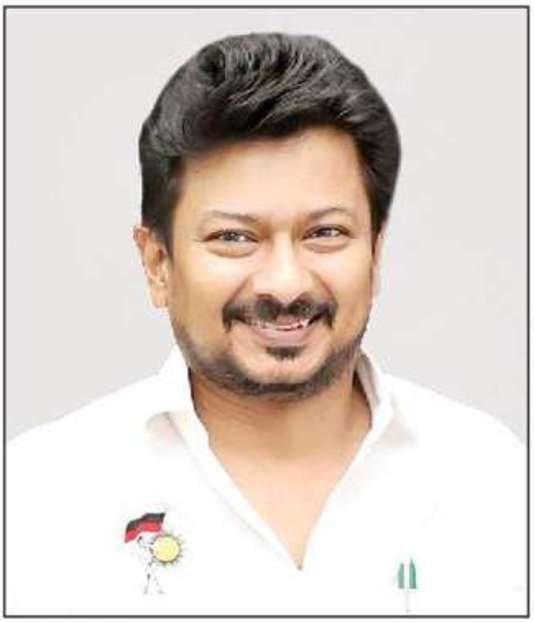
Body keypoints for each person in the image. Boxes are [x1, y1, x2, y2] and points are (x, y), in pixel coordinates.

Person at [7, 32, 526, 616]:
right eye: (234, 237)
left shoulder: (493, 480)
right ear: (157, 263)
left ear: (375, 255)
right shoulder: (37, 500)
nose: (285, 284)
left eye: (325, 233)